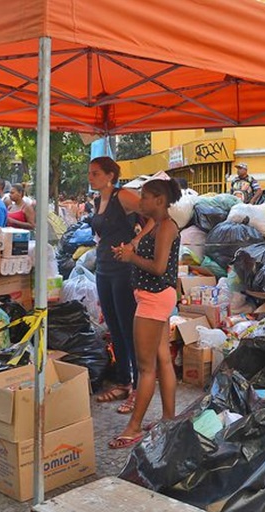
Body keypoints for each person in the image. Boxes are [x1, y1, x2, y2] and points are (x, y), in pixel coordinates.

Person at [108, 179, 181, 448]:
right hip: (156, 297)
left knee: (145, 368)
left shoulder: (166, 228)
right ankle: (168, 419)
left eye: (146, 198)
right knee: (162, 360)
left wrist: (131, 259)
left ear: (159, 201)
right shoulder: (159, 225)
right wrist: (130, 251)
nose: (141, 202)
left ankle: (134, 426)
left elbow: (160, 267)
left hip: (154, 299)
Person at [88, 157, 153, 415]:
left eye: (95, 173)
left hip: (124, 270)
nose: (90, 178)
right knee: (114, 328)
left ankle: (139, 388)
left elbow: (154, 218)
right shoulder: (96, 200)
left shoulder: (123, 196)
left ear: (110, 176)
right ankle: (123, 381)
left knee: (128, 329)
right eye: (90, 173)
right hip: (103, 267)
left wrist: (135, 242)